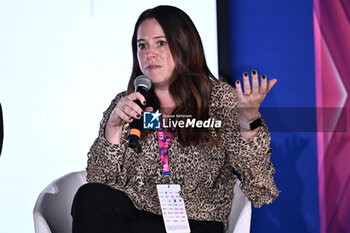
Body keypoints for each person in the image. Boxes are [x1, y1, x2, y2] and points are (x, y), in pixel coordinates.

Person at [71, 5, 280, 233]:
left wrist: (248, 121)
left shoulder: (219, 100)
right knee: (90, 196)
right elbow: (99, 179)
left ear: (184, 45)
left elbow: (260, 186)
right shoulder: (128, 102)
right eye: (142, 46)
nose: (149, 54)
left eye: (161, 43)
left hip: (196, 220)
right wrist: (113, 128)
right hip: (138, 211)